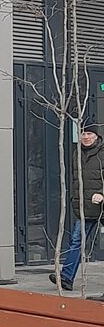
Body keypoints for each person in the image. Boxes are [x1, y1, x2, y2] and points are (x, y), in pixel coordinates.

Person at [50, 123, 104, 291]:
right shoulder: (77, 153)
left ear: (96, 136)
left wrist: (102, 193)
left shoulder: (102, 153)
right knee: (76, 241)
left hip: (101, 204)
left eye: (89, 134)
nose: (85, 137)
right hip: (85, 207)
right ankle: (66, 278)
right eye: (83, 133)